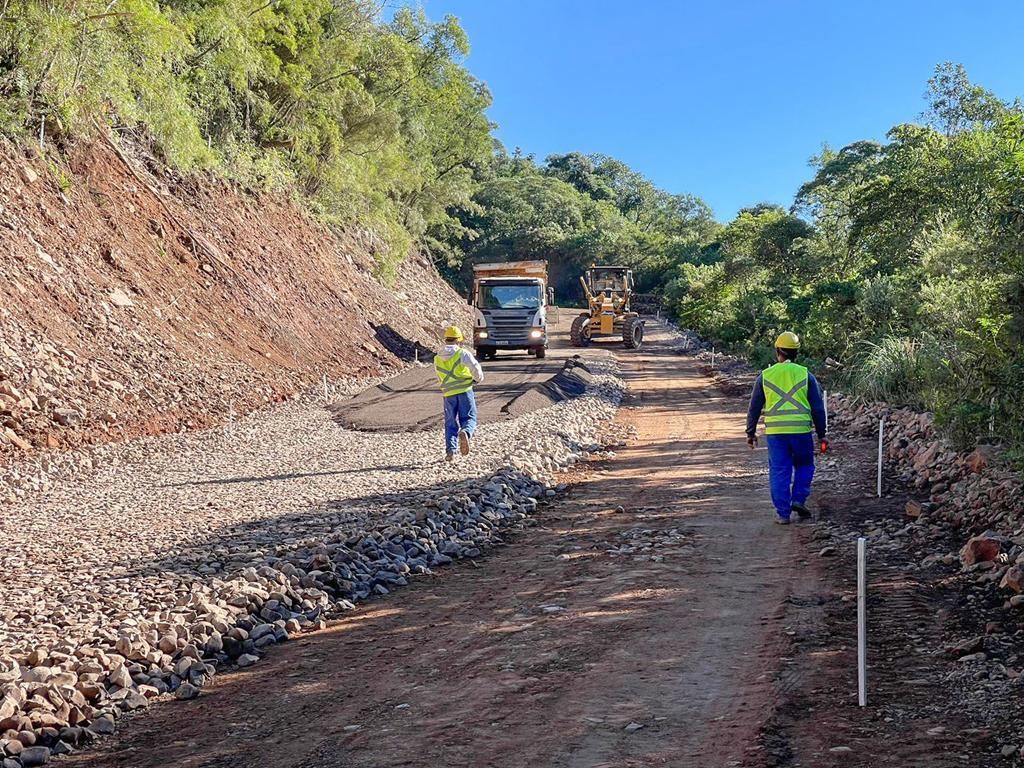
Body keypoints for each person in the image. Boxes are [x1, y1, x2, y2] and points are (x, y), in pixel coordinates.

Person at [745, 331, 829, 525]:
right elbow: (817, 407)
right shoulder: (805, 374)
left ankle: (783, 514)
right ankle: (798, 500)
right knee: (804, 465)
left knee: (779, 470)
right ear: (796, 352)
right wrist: (822, 434)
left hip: (776, 434)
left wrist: (750, 433)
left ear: (778, 351)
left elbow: (754, 406)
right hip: (801, 432)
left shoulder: (765, 376)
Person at [434, 325, 484, 462]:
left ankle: (450, 451)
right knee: (469, 417)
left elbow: (439, 375)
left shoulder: (437, 357)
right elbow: (476, 369)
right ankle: (466, 432)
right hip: (464, 390)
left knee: (450, 422)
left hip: (448, 393)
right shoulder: (462, 353)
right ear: (459, 340)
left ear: (446, 339)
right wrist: (478, 379)